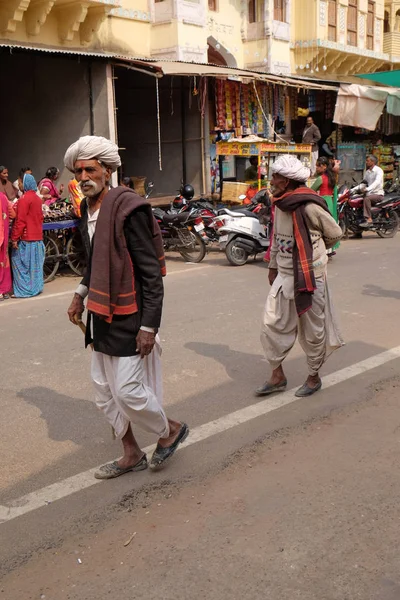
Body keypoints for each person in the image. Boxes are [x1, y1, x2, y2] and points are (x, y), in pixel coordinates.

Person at [65, 135, 189, 478]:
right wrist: (79, 293)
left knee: (129, 392)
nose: (84, 177)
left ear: (107, 170)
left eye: (90, 169)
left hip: (129, 314)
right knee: (104, 393)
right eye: (78, 171)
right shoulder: (85, 210)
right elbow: (93, 260)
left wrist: (149, 326)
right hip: (100, 313)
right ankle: (131, 452)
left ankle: (170, 429)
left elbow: (151, 273)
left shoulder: (128, 208)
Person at [257, 155, 343, 399]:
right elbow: (276, 238)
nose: (271, 180)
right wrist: (273, 266)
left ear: (286, 181)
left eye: (275, 177)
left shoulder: (309, 206)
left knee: (312, 330)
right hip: (284, 275)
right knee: (270, 325)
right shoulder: (281, 204)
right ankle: (277, 376)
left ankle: (313, 376)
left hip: (310, 276)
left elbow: (335, 234)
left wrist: (315, 253)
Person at [11, 174, 45, 298]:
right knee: (34, 266)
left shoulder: (24, 199)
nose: (19, 184)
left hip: (27, 238)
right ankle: (36, 287)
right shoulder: (37, 198)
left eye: (20, 182)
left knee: (18, 263)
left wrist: (14, 238)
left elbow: (20, 221)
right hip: (37, 238)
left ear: (25, 184)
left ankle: (24, 290)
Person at [311, 157, 340, 256]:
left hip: (322, 202)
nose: (316, 168)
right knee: (329, 226)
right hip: (330, 202)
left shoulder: (321, 178)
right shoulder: (332, 177)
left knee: (321, 227)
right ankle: (331, 249)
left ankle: (323, 250)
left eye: (318, 166)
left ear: (324, 167)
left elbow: (311, 190)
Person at [353, 155, 384, 227]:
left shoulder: (378, 170)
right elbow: (363, 183)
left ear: (372, 162)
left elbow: (377, 182)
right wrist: (352, 190)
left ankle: (369, 219)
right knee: (357, 199)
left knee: (366, 199)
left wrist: (367, 189)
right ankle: (358, 230)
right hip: (369, 193)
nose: (366, 162)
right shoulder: (367, 172)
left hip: (378, 194)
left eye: (368, 161)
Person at [0, 192, 16, 300]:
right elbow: (13, 215)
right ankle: (4, 291)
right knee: (4, 261)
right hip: (3, 237)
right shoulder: (3, 197)